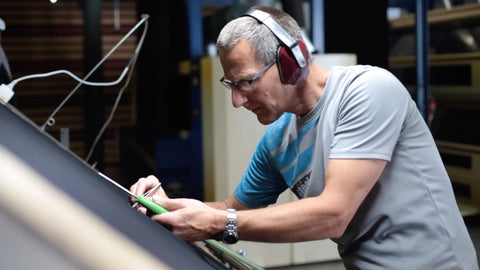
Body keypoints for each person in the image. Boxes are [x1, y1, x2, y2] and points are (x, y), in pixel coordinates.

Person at [131, 6, 479, 269]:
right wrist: (165, 207)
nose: (237, 100)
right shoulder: (277, 141)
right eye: (231, 85)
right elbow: (227, 211)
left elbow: (334, 213)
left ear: (291, 60)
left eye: (246, 82)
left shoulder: (368, 91)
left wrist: (220, 223)